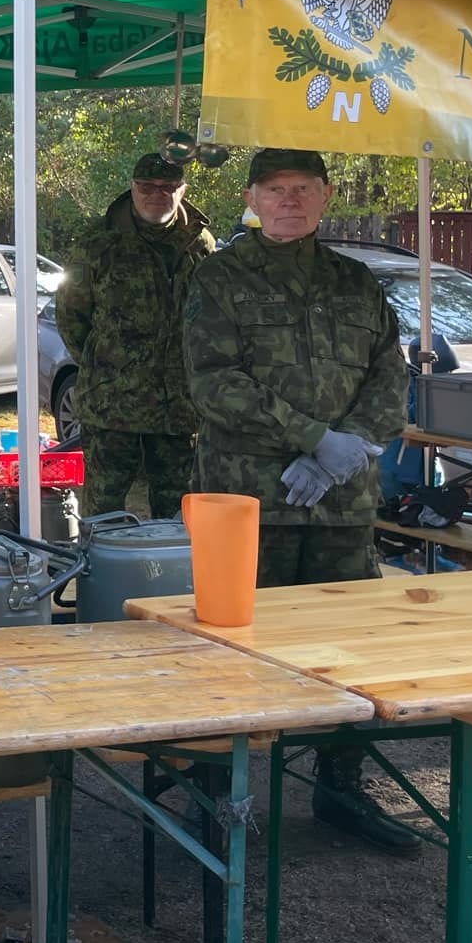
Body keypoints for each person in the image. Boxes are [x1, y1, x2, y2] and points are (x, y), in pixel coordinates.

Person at [183, 146, 412, 854]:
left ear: (325, 195)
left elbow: (389, 375)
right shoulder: (218, 278)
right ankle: (220, 796)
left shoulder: (355, 282)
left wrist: (350, 450)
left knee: (352, 651)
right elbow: (212, 382)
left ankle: (343, 788)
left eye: (303, 188)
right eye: (275, 189)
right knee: (236, 651)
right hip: (252, 499)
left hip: (343, 503)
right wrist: (312, 438)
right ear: (251, 199)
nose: (289, 200)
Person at [55, 152, 216, 519]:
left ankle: (170, 577)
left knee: (177, 513)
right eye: (147, 186)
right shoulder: (99, 242)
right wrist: (107, 364)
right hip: (113, 405)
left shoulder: (200, 243)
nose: (157, 194)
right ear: (132, 188)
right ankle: (102, 577)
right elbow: (71, 316)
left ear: (182, 189)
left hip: (179, 407)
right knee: (103, 509)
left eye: (168, 187)